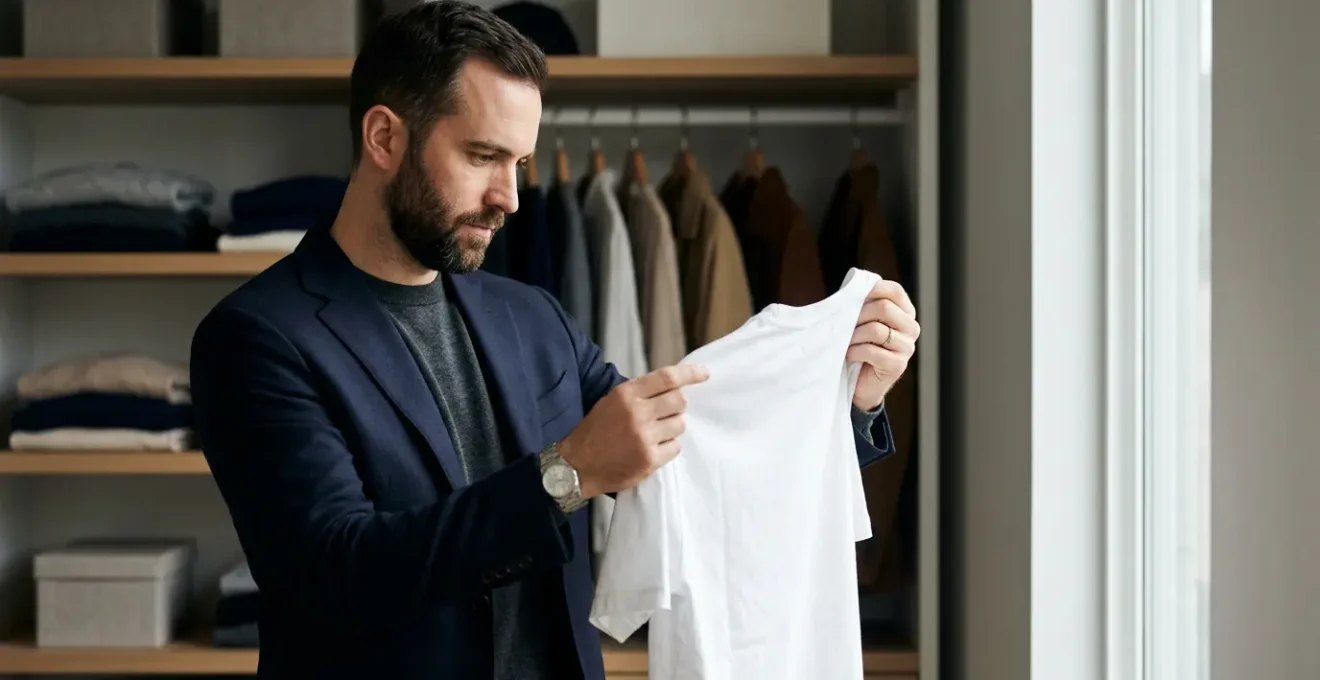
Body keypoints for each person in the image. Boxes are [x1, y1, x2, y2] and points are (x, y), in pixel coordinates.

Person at [188, 2, 921, 679]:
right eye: (483, 157)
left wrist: (845, 404)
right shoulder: (256, 338)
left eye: (520, 163)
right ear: (384, 137)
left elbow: (683, 456)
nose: (509, 196)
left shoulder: (530, 315)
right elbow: (336, 572)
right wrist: (565, 474)